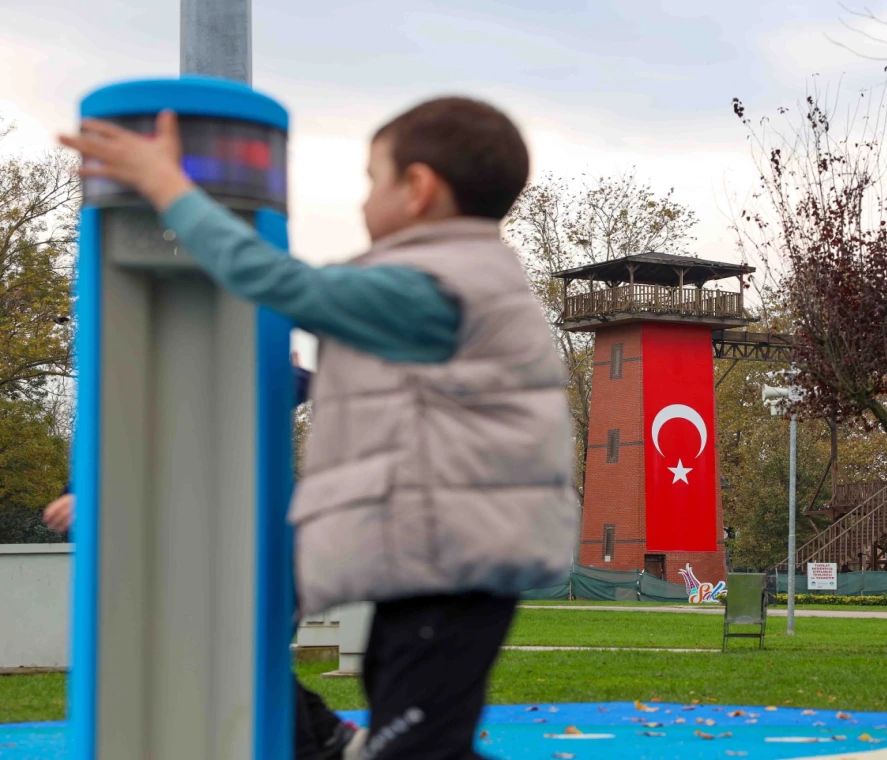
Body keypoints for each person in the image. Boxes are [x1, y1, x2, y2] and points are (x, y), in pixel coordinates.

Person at [60, 96, 577, 760]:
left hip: (453, 575)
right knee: (412, 739)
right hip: (431, 567)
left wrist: (169, 187)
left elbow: (277, 281)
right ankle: (329, 741)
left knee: (416, 750)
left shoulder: (435, 289)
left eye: (372, 179)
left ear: (417, 189)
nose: (364, 202)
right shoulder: (457, 279)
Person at [44, 358, 367, 760]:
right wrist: (85, 498)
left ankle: (320, 741)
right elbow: (113, 451)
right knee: (233, 665)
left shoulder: (216, 387)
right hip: (194, 561)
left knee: (244, 663)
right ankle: (328, 737)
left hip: (255, 551)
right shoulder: (123, 404)